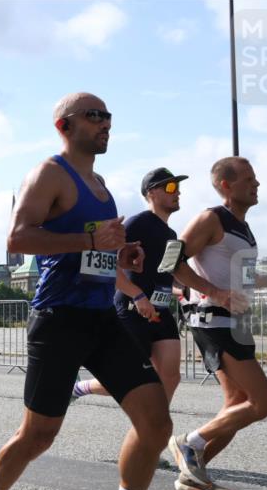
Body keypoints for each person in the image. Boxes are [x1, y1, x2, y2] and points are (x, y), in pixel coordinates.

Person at [0, 92, 180, 490]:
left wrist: (120, 255)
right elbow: (18, 239)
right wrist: (90, 242)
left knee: (155, 421)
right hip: (57, 319)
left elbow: (96, 250)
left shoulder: (101, 186)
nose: (106, 122)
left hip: (103, 318)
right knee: (39, 435)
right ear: (64, 125)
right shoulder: (49, 174)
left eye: (108, 115)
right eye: (94, 115)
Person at [163, 156, 267, 490]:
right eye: (248, 179)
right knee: (264, 402)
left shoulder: (242, 226)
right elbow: (171, 261)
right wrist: (217, 293)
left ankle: (193, 475)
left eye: (256, 179)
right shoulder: (211, 218)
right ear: (226, 185)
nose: (256, 184)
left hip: (234, 322)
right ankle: (188, 443)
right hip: (212, 320)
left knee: (237, 404)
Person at [71, 167, 188, 403]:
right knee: (126, 377)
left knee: (171, 377)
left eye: (178, 188)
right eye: (171, 187)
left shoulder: (172, 233)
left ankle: (155, 427)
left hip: (161, 312)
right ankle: (80, 388)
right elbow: (104, 263)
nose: (178, 193)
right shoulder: (137, 223)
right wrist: (137, 295)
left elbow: (166, 273)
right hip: (133, 310)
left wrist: (184, 290)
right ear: (152, 193)